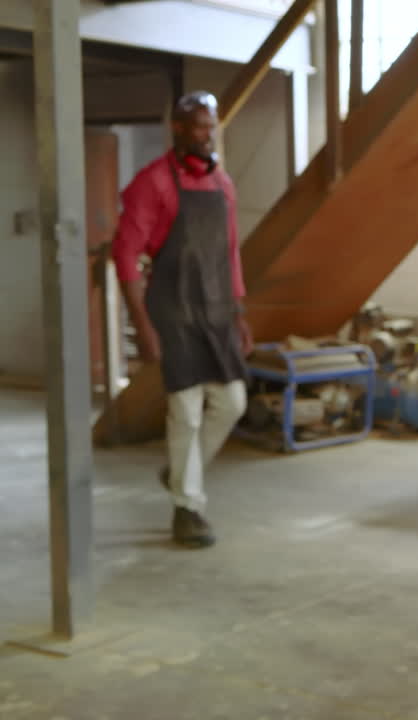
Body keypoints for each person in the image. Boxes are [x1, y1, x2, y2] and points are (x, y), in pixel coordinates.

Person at [113, 90, 253, 549]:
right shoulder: (152, 183)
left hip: (215, 310)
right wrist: (143, 325)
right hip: (172, 311)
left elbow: (229, 253)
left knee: (232, 401)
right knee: (186, 411)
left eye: (210, 127)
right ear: (177, 128)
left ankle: (177, 472)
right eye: (197, 127)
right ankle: (188, 508)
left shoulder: (222, 185)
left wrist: (239, 313)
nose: (206, 135)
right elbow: (126, 254)